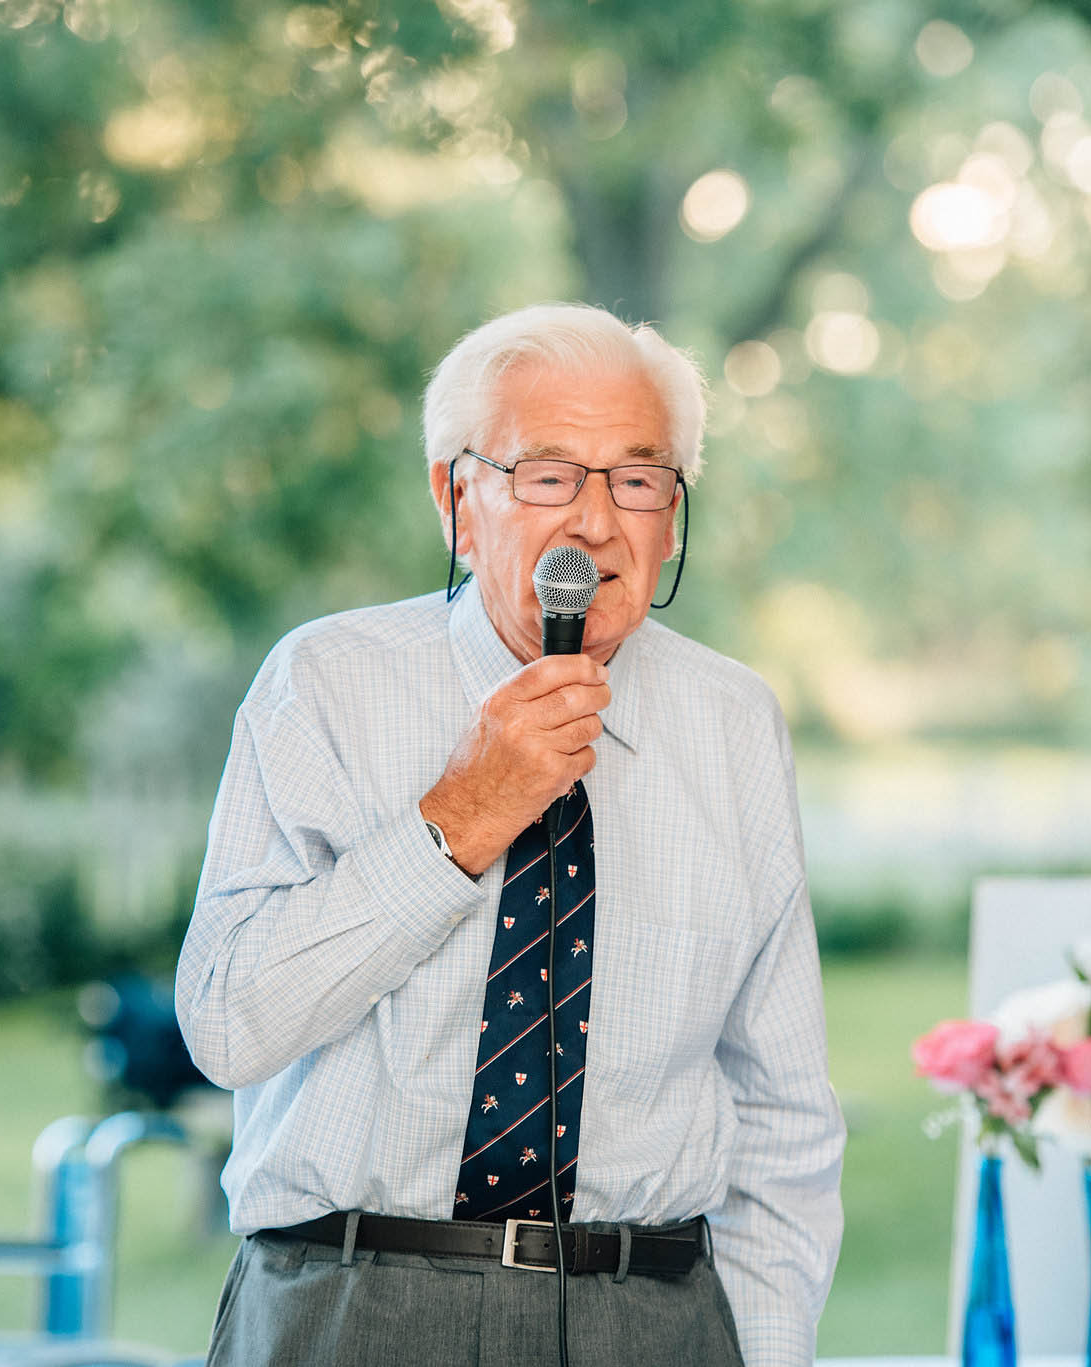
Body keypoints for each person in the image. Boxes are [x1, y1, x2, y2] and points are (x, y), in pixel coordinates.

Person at [175, 303, 843, 1367]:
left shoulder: (732, 722)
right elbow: (226, 1023)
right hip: (354, 1306)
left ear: (672, 514)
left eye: (636, 477)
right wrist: (457, 819)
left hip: (650, 1319)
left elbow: (780, 1114)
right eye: (544, 473)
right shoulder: (326, 683)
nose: (591, 520)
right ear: (455, 500)